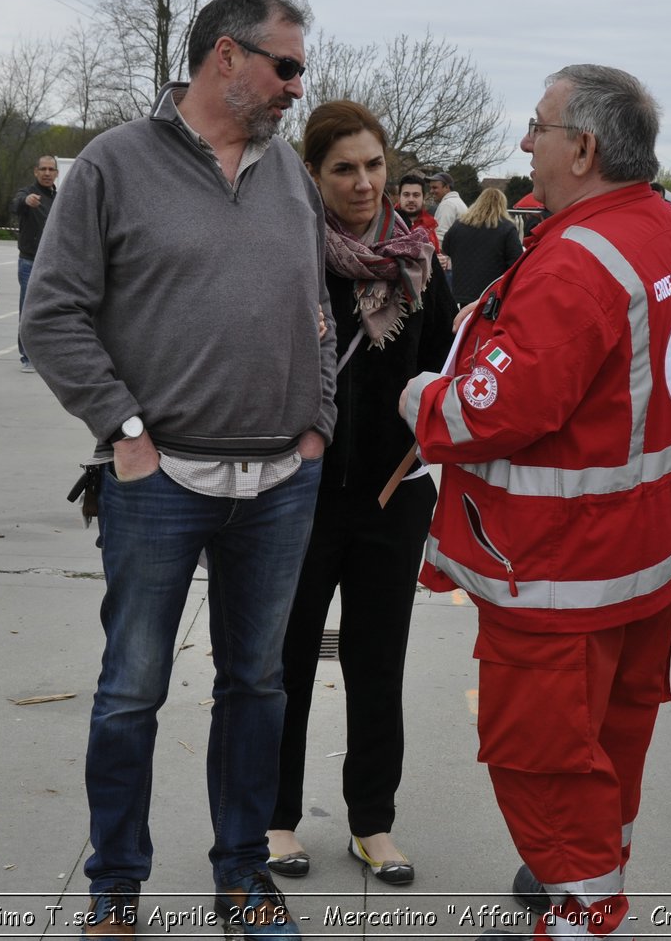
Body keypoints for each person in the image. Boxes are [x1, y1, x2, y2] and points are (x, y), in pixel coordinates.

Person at [21, 0, 334, 940]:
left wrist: (318, 417)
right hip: (160, 485)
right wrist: (125, 433)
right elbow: (51, 317)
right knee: (131, 690)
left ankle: (241, 873)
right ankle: (117, 883)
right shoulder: (114, 165)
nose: (296, 86)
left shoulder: (287, 175)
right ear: (225, 56)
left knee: (258, 685)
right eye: (285, 65)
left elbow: (317, 312)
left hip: (281, 483)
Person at [401, 65, 671, 939]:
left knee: (541, 756)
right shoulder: (668, 228)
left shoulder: (578, 261)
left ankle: (579, 916)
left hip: (564, 570)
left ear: (582, 146)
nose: (524, 143)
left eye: (536, 126)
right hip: (647, 552)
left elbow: (495, 407)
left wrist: (422, 397)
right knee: (615, 737)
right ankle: (588, 881)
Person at [267, 100, 456, 888]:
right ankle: (274, 818)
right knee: (285, 665)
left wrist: (422, 447)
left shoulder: (420, 265)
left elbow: (446, 372)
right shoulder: (287, 257)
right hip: (299, 496)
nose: (364, 182)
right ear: (313, 174)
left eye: (374, 165)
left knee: (379, 662)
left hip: (392, 497)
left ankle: (371, 822)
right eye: (344, 167)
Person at [10, 155, 58, 372]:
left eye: (51, 169)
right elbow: (16, 203)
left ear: (56, 173)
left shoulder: (58, 197)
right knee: (28, 310)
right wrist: (26, 201)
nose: (47, 173)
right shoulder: (27, 194)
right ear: (35, 171)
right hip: (30, 262)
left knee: (54, 310)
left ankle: (48, 354)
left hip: (54, 263)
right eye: (43, 169)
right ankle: (26, 357)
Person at [443, 187, 523, 305]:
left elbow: (446, 248)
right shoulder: (507, 228)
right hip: (491, 294)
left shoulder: (459, 225)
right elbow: (516, 261)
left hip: (461, 290)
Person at [395, 172, 440, 250]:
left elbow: (435, 252)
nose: (411, 200)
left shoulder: (430, 225)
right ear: (399, 197)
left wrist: (439, 260)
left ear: (423, 197)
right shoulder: (387, 222)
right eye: (406, 195)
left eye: (416, 195)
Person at [428, 170, 467, 237]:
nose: (431, 191)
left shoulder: (447, 204)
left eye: (435, 187)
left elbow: (441, 236)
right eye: (430, 188)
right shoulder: (457, 202)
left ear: (447, 187)